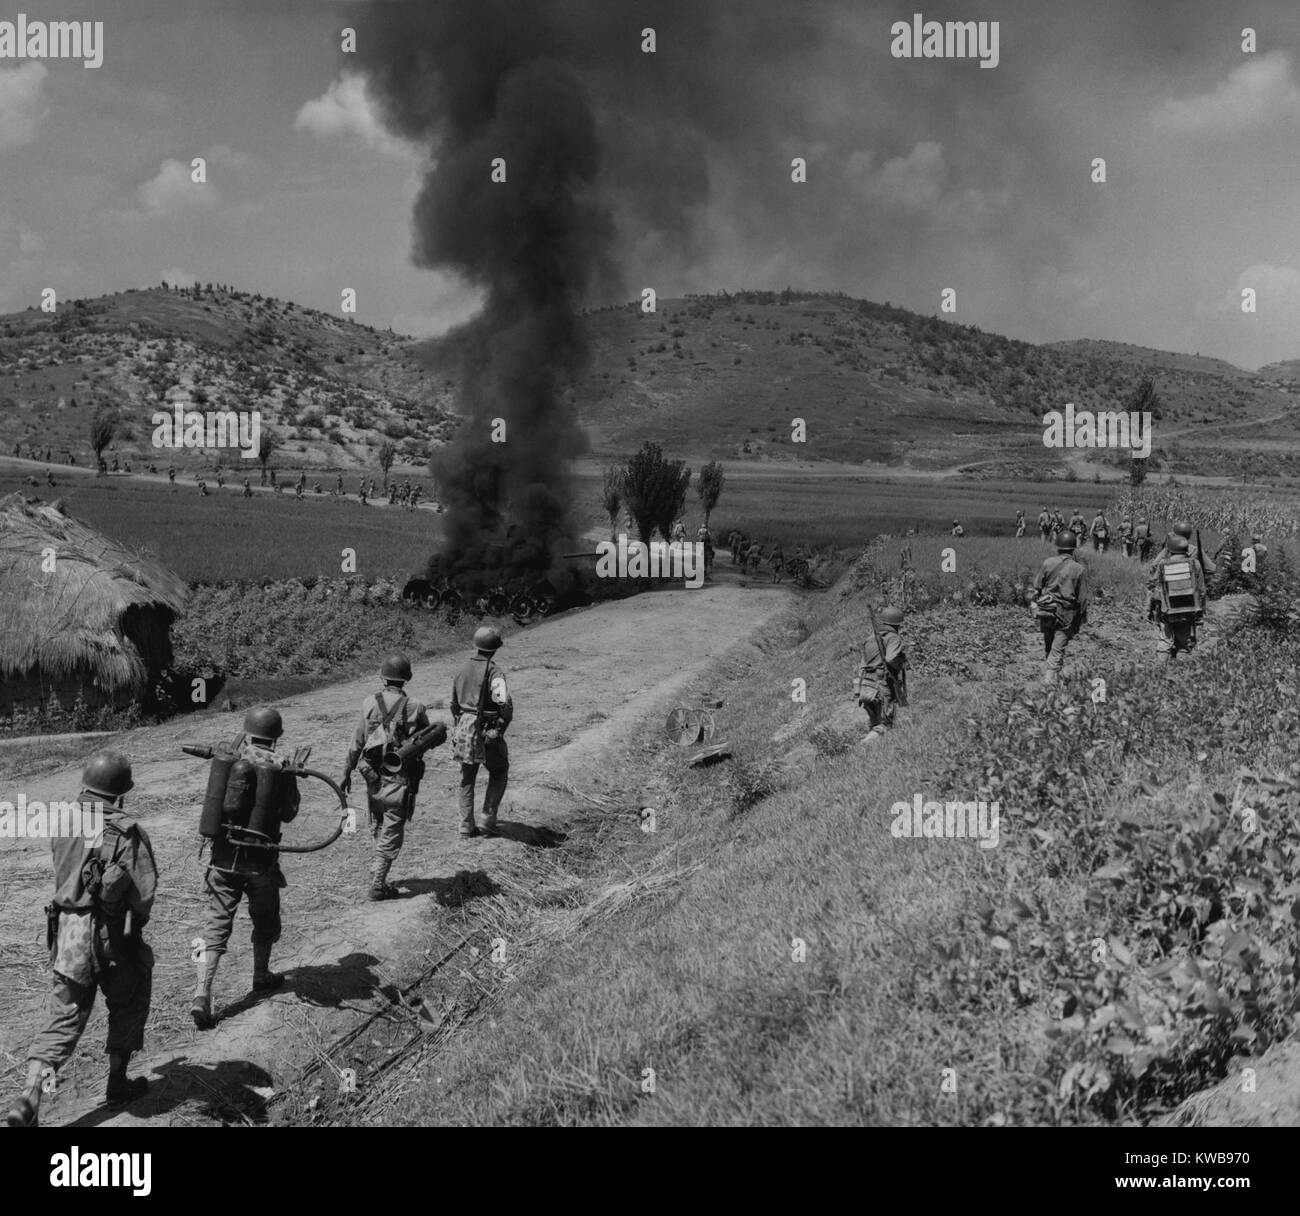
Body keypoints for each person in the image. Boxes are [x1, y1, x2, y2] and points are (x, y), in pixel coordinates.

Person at [4, 752, 157, 1126]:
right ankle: (117, 1084)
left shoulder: (61, 820)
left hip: (67, 932)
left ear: (85, 785)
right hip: (112, 935)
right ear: (120, 793)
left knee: (62, 1017)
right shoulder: (126, 832)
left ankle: (28, 1100)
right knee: (130, 999)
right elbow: (143, 897)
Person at [191, 708, 300, 1030]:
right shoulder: (280, 766)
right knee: (265, 921)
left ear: (248, 730)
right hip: (260, 864)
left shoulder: (230, 758)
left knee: (215, 925)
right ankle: (261, 975)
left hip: (223, 860)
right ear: (277, 734)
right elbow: (290, 813)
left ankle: (202, 994)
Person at [340, 656, 435, 901]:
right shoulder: (415, 706)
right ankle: (378, 884)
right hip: (400, 778)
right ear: (407, 677)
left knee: (378, 821)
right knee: (393, 827)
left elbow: (357, 741)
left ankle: (377, 872)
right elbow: (425, 741)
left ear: (382, 677)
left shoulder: (369, 702)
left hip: (372, 774)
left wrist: (346, 772)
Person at [450, 627, 513, 838]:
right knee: (499, 770)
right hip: (487, 729)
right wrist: (500, 729)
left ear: (475, 645)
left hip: (465, 729)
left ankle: (465, 825)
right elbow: (504, 704)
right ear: (495, 649)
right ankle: (488, 817)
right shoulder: (495, 672)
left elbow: (453, 705)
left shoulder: (462, 670)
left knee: (467, 779)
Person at [1031, 531, 1089, 685]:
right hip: (1066, 613)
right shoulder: (1078, 569)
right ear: (1073, 549)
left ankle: (1053, 678)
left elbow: (1037, 586)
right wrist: (1081, 619)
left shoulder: (1048, 563)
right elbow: (1083, 599)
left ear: (1058, 547)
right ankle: (1049, 683)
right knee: (1057, 649)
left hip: (1047, 610)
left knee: (1050, 645)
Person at [1147, 535, 1205, 662]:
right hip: (1188, 610)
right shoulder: (1195, 564)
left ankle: (1159, 672)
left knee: (1165, 641)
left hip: (1167, 610)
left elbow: (1153, 585)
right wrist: (1200, 611)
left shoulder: (1163, 564)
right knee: (1183, 644)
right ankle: (1181, 672)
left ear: (1170, 549)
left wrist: (1150, 609)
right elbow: (1202, 591)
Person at [857, 607, 907, 745]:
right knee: (885, 724)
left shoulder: (870, 639)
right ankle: (866, 744)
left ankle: (874, 749)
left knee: (875, 723)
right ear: (896, 625)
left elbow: (863, 663)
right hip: (881, 685)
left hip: (866, 684)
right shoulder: (893, 638)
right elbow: (890, 658)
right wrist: (901, 659)